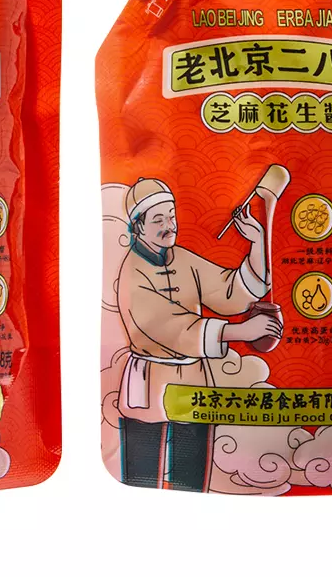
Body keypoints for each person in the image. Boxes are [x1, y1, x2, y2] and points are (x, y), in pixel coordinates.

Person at [116, 178, 282, 491]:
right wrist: (239, 331)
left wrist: (257, 241)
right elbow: (167, 326)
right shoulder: (131, 271)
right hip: (149, 382)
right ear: (137, 227)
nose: (169, 226)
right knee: (141, 480)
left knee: (191, 479)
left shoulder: (183, 259)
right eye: (158, 220)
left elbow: (228, 291)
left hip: (193, 382)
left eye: (171, 216)